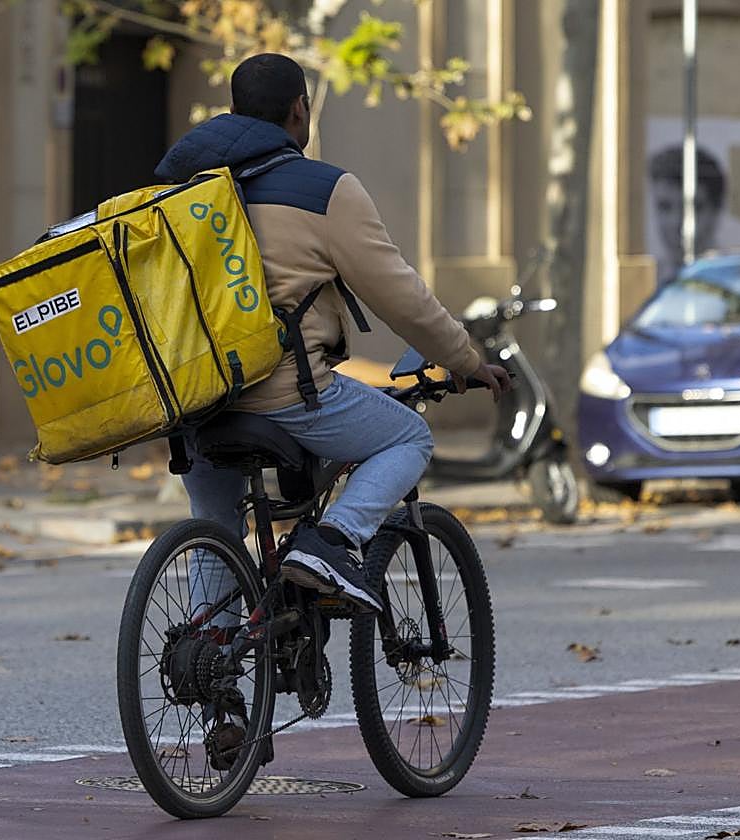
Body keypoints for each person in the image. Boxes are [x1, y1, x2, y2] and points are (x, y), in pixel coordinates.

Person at [154, 54, 510, 613]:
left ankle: (207, 654)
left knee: (215, 530)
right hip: (285, 396)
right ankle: (331, 542)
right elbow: (402, 298)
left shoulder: (184, 188)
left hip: (195, 401)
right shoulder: (323, 189)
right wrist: (465, 360)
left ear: (235, 112)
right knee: (408, 437)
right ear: (301, 109)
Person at [647, 144, 727, 285]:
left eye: (693, 208)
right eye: (665, 207)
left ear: (716, 209)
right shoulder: (642, 284)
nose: (676, 222)